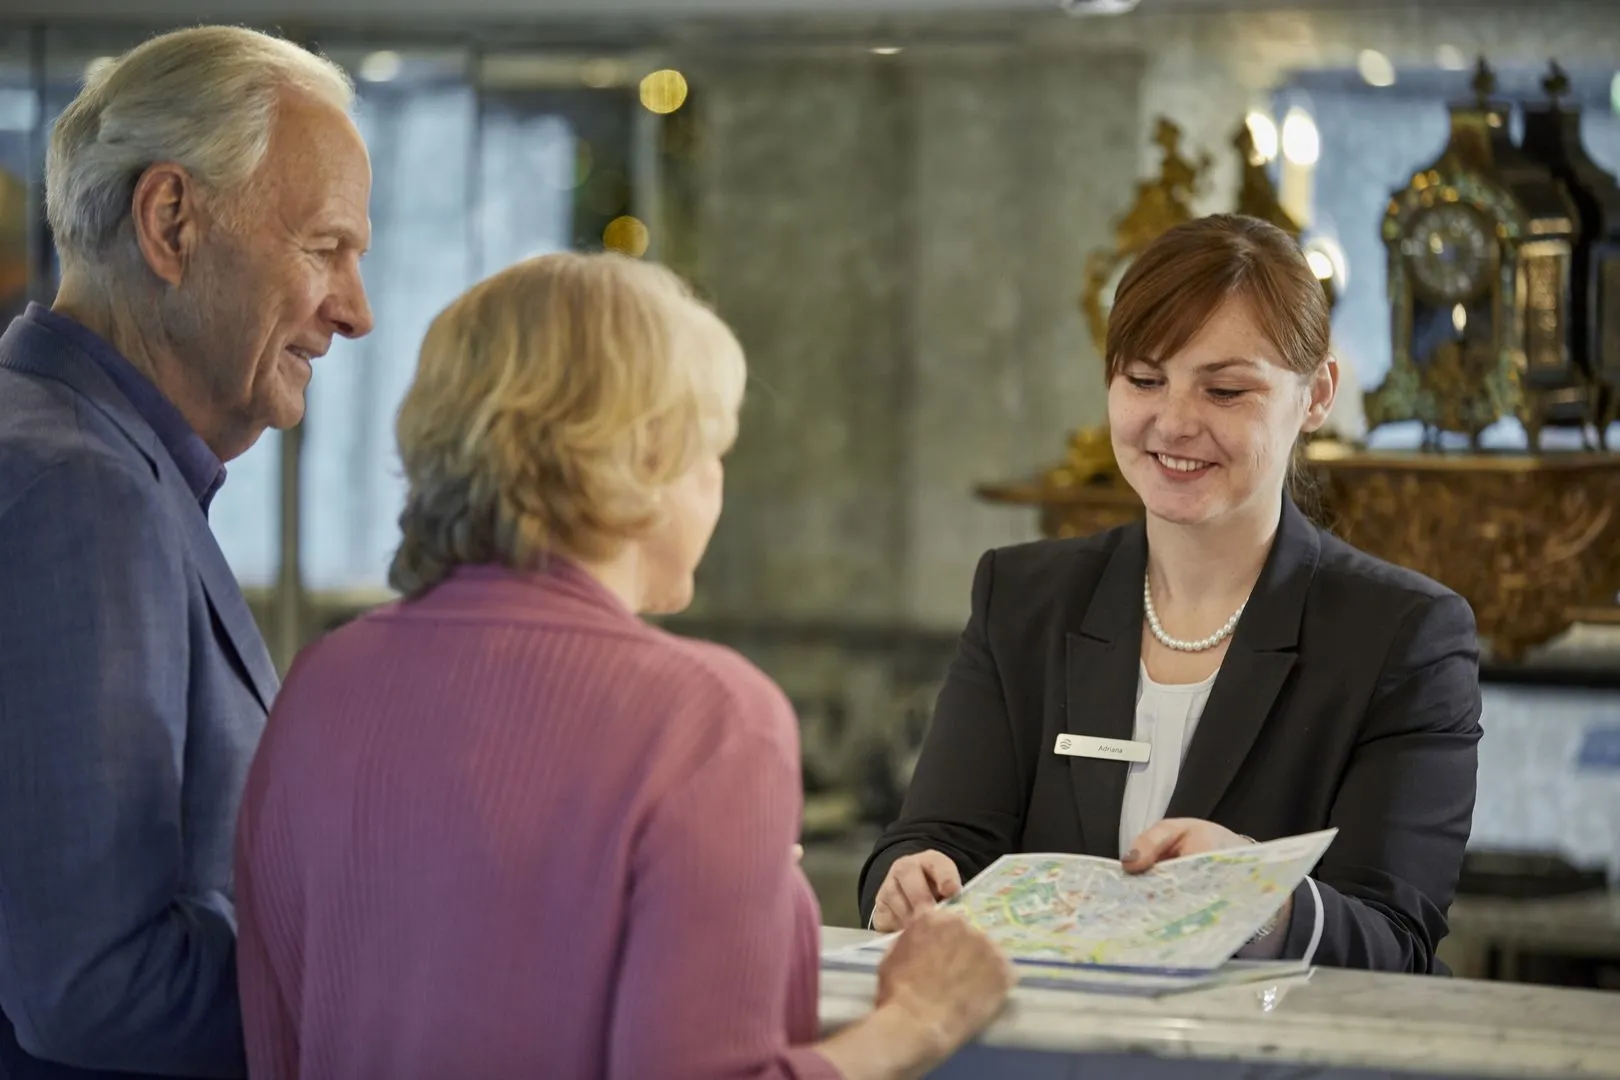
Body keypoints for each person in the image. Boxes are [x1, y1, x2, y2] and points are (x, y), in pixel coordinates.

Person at [235, 252, 1014, 1079]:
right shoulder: (707, 718)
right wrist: (918, 1020)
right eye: (712, 451)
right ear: (645, 457)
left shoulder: (322, 683)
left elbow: (275, 1041)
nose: (717, 484)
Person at [859, 214, 1483, 975]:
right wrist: (908, 882)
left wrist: (1258, 898)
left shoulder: (1404, 636)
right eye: (1145, 380)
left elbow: (1398, 943)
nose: (1175, 422)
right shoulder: (1022, 599)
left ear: (1315, 394)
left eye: (1225, 389)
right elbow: (931, 843)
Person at [0, 26, 372, 1079]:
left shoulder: (77, 455)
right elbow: (93, 987)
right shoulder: (79, 492)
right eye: (325, 247)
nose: (355, 310)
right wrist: (398, 988)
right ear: (172, 221)